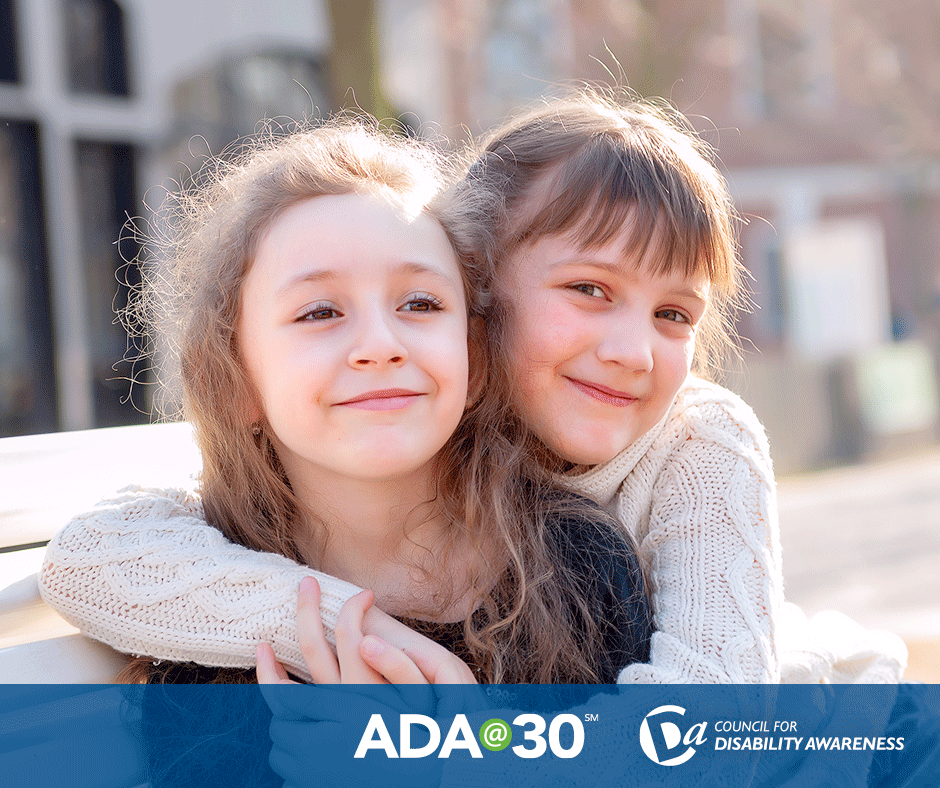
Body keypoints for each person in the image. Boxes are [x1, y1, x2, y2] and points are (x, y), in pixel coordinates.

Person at [40, 89, 904, 689]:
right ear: (477, 300)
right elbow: (97, 556)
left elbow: (708, 738)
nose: (637, 350)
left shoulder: (698, 441)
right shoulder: (410, 427)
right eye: (590, 290)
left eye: (676, 314)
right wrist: (360, 626)